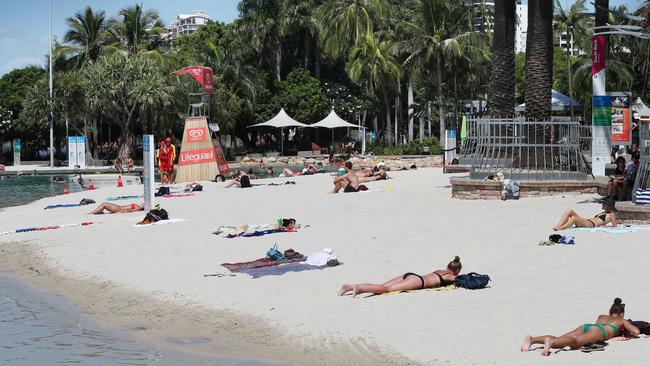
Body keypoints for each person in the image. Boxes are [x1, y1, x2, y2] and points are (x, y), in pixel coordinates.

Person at [520, 298, 640, 356]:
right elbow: (636, 331)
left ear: (610, 311)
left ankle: (533, 339)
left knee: (561, 339)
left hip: (588, 326)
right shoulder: (621, 320)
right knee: (575, 342)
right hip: (599, 331)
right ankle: (550, 341)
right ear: (622, 313)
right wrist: (626, 327)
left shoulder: (602, 316)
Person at [338, 256, 462, 297]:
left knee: (381, 286)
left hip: (411, 275)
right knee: (386, 290)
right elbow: (460, 281)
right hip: (418, 282)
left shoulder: (440, 270)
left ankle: (349, 287)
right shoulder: (451, 276)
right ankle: (359, 288)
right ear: (457, 270)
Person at [552, 198, 618, 231]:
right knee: (569, 211)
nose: (602, 204)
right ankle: (558, 226)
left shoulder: (611, 214)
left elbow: (615, 227)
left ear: (608, 206)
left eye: (604, 204)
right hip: (587, 221)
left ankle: (560, 228)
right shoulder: (603, 213)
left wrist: (604, 227)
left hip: (591, 224)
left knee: (573, 218)